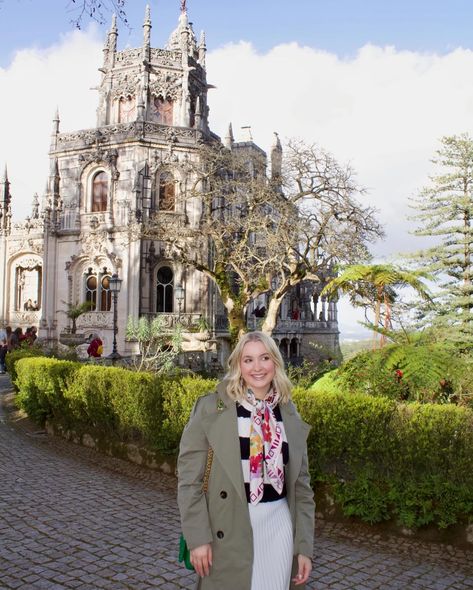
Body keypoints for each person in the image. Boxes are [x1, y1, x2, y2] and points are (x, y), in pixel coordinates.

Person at [177, 331, 315, 590]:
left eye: (264, 358)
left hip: (279, 529)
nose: (257, 367)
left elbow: (302, 487)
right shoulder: (210, 408)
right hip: (229, 531)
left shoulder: (288, 411)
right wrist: (198, 538)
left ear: (275, 361)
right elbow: (188, 483)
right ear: (238, 365)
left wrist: (304, 547)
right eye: (248, 360)